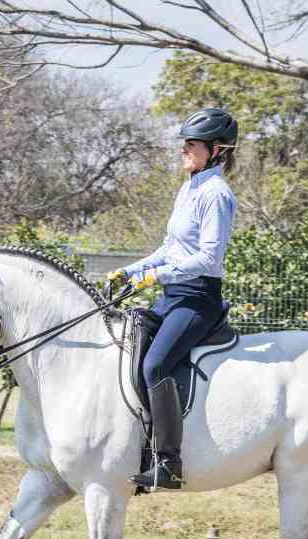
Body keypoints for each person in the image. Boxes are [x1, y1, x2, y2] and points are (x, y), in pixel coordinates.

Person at [107, 107, 238, 490]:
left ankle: (168, 462)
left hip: (198, 300)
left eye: (191, 144)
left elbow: (209, 259)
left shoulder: (215, 194)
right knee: (129, 349)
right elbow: (169, 248)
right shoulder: (190, 188)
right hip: (173, 295)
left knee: (155, 366)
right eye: (184, 143)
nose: (183, 149)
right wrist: (131, 270)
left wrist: (155, 276)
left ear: (216, 150)